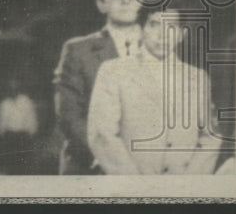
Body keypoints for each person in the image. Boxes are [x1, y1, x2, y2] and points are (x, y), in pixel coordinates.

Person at [87, 10, 221, 174]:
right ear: (141, 30)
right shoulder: (114, 71)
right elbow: (102, 134)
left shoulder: (198, 77)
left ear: (181, 34)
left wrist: (190, 183)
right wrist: (136, 186)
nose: (162, 35)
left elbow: (211, 138)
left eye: (171, 26)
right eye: (154, 25)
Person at [53, 0, 144, 175]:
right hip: (92, 167)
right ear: (102, 3)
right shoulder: (78, 50)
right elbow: (70, 117)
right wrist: (111, 159)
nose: (125, 0)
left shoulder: (161, 48)